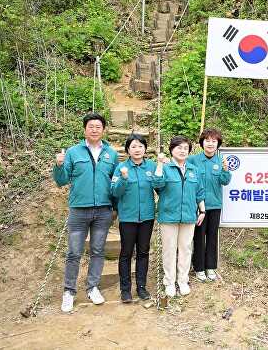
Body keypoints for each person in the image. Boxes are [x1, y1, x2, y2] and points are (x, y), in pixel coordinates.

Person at [53, 113, 119, 313]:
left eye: (98, 126)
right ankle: (69, 292)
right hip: (78, 210)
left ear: (103, 130)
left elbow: (115, 182)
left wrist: (114, 208)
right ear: (85, 129)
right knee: (74, 252)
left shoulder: (111, 153)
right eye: (91, 126)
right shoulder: (73, 152)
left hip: (103, 211)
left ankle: (92, 287)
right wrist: (58, 165)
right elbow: (61, 180)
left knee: (98, 251)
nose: (94, 129)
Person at [153, 136, 206, 297]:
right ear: (171, 150)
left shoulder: (193, 170)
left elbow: (199, 192)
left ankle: (182, 280)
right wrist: (160, 164)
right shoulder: (166, 167)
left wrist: (202, 211)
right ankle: (169, 281)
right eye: (179, 147)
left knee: (185, 248)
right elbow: (157, 184)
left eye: (185, 148)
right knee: (169, 249)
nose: (182, 151)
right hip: (168, 216)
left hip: (189, 215)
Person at [111, 134, 156, 303]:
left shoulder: (151, 166)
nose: (137, 150)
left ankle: (142, 287)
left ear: (145, 149)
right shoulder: (121, 168)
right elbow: (115, 192)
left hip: (147, 216)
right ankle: (125, 289)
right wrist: (123, 178)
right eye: (133, 147)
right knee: (126, 253)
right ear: (128, 150)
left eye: (140, 146)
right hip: (128, 218)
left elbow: (160, 186)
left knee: (143, 252)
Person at [188, 128, 232, 282]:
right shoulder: (193, 160)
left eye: (214, 141)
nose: (211, 144)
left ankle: (211, 267)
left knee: (212, 237)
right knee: (198, 237)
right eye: (207, 140)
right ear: (202, 143)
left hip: (214, 205)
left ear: (218, 144)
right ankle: (199, 268)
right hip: (198, 206)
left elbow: (225, 181)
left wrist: (226, 170)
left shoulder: (221, 161)